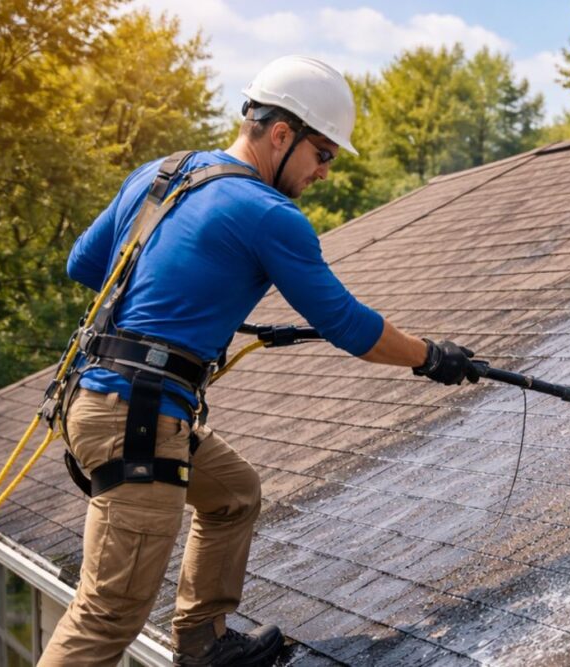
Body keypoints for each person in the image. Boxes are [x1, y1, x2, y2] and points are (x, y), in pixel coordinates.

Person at [39, 55, 480, 667]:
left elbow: (85, 265)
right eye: (322, 154)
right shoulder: (269, 213)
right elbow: (347, 325)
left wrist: (192, 295)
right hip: (138, 419)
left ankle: (203, 643)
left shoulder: (162, 173)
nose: (324, 171)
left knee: (235, 493)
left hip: (96, 398)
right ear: (280, 134)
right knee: (107, 614)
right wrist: (430, 356)